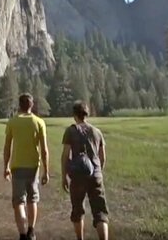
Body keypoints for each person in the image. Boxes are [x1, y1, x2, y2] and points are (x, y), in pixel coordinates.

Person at [61, 101, 109, 240]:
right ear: (86, 114)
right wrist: (99, 172)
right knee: (100, 213)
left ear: (74, 114)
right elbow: (102, 157)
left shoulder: (71, 130)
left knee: (77, 211)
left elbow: (65, 156)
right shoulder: (97, 131)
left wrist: (64, 176)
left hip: (78, 176)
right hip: (96, 174)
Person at [3, 94, 49, 240]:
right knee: (32, 199)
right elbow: (44, 149)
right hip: (34, 166)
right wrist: (46, 171)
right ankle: (31, 230)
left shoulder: (12, 122)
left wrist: (6, 166)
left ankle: (22, 234)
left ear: (19, 105)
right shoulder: (39, 122)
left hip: (17, 166)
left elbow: (7, 147)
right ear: (31, 105)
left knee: (19, 201)